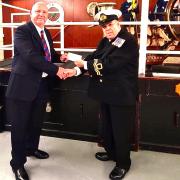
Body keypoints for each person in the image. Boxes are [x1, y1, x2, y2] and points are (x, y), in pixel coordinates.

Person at [5, 2, 75, 180]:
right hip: (22, 87)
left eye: (45, 12)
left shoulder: (46, 32)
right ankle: (17, 164)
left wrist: (60, 57)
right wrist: (57, 70)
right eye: (38, 11)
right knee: (20, 126)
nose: (41, 14)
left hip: (42, 85)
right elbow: (31, 56)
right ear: (31, 13)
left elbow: (48, 53)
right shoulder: (22, 31)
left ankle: (31, 148)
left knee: (36, 122)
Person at [67, 9, 139, 180]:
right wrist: (75, 62)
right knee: (107, 128)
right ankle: (112, 153)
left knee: (121, 131)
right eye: (104, 26)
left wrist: (84, 65)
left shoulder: (127, 41)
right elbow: (95, 56)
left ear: (118, 23)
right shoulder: (107, 41)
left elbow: (110, 64)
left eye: (110, 25)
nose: (107, 29)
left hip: (122, 95)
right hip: (107, 93)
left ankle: (123, 164)